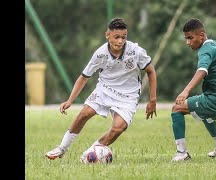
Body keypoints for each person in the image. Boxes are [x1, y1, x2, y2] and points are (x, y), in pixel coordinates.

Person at [45, 18, 157, 163]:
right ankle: (61, 148)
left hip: (128, 95)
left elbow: (151, 71)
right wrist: (70, 100)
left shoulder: (136, 51)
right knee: (84, 113)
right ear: (107, 35)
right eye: (116, 37)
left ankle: (93, 151)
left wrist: (152, 100)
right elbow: (84, 77)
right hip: (105, 89)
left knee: (118, 128)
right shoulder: (100, 54)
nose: (120, 41)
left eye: (124, 37)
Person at [171, 18, 216, 162]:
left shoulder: (205, 50)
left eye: (190, 38)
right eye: (186, 38)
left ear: (202, 35)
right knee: (205, 115)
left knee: (177, 108)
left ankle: (181, 153)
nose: (188, 42)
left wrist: (185, 91)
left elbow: (202, 71)